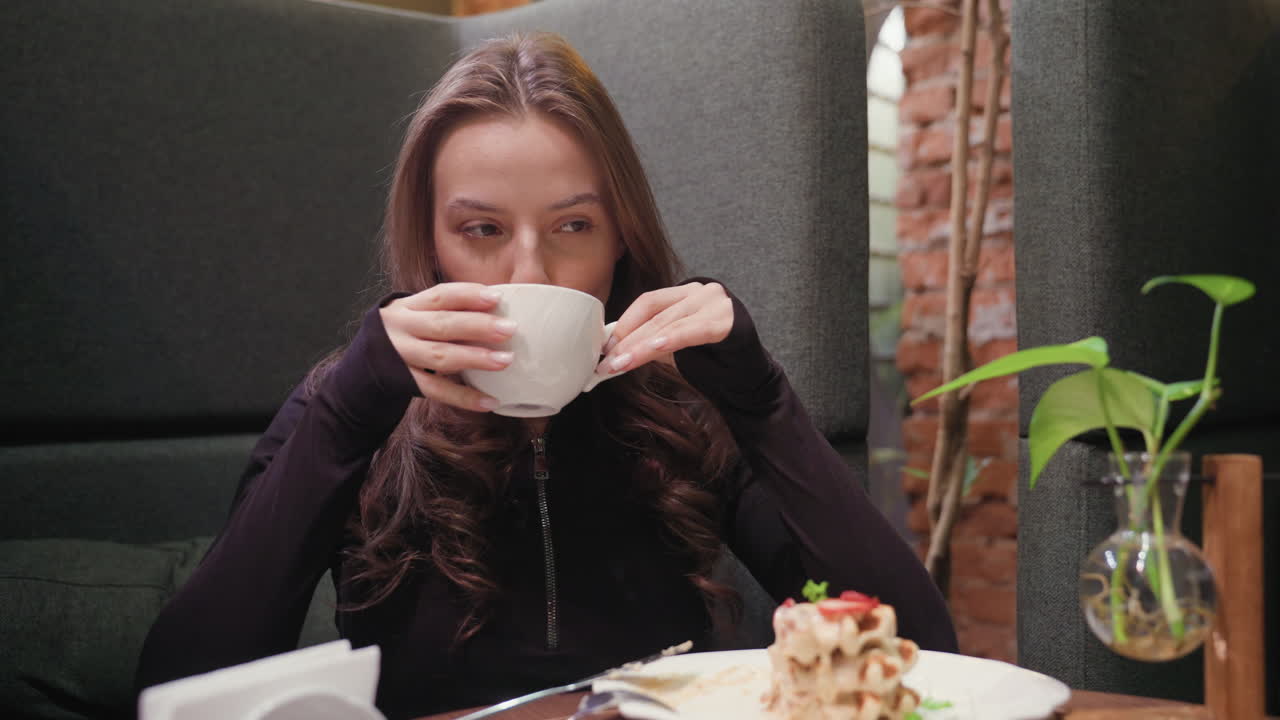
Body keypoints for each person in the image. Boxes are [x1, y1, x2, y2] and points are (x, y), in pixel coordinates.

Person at [135, 31, 956, 719]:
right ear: (429, 248)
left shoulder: (687, 413)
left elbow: (923, 654)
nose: (532, 271)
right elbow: (177, 691)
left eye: (573, 224)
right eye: (483, 228)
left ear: (621, 239)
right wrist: (348, 412)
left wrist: (761, 398)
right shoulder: (348, 409)